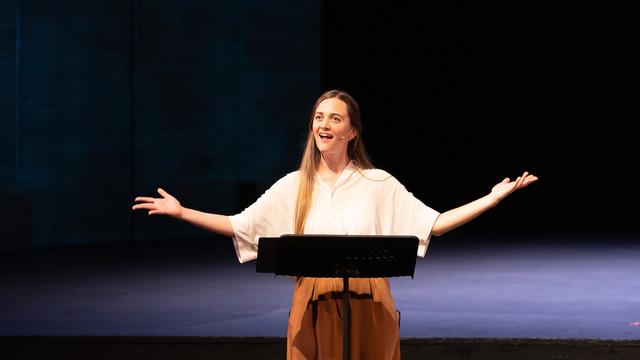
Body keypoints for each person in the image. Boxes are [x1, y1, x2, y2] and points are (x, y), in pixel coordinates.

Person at [132, 89, 538, 359]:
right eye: (318, 117)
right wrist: (182, 212)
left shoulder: (378, 182)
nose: (324, 125)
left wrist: (491, 197)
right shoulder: (294, 185)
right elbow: (242, 225)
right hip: (313, 302)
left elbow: (435, 224)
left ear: (352, 131)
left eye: (335, 119)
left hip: (369, 300)